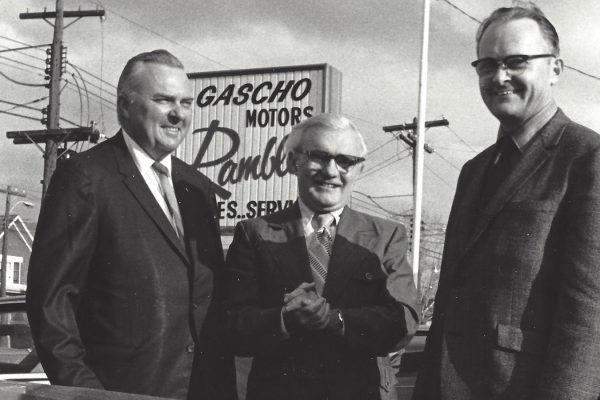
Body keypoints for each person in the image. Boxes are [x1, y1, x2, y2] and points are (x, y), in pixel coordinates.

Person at [413, 3, 600, 400]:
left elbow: (589, 315)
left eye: (516, 61)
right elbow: (448, 305)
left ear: (555, 69)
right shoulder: (475, 170)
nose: (500, 77)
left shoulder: (587, 158)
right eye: (487, 64)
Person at [26, 49, 237, 400]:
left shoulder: (197, 189)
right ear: (125, 106)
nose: (178, 114)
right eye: (164, 100)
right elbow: (51, 303)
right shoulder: (86, 178)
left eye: (186, 103)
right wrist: (87, 394)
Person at [222, 113, 419, 400]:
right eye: (318, 156)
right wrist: (285, 319)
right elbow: (232, 324)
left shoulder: (387, 235)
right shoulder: (255, 234)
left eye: (345, 161)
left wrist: (335, 320)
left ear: (359, 169)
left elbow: (403, 322)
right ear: (292, 161)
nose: (331, 170)